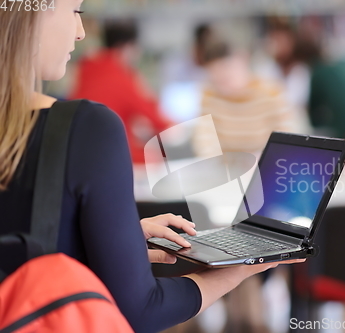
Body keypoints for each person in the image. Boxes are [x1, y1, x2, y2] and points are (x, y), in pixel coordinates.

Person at [0, 4, 302, 333]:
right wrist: (239, 270)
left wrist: (111, 238)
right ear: (31, 14)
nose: (81, 32)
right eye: (74, 10)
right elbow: (141, 310)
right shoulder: (87, 128)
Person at [69, 18, 172, 164]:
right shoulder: (121, 76)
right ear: (128, 47)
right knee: (157, 157)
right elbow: (157, 120)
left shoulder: (87, 68)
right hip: (110, 154)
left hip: (79, 152)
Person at [192, 38, 292, 158]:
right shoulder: (210, 97)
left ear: (243, 59)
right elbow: (204, 143)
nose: (223, 82)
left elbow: (287, 138)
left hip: (264, 166)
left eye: (227, 70)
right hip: (228, 170)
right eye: (217, 79)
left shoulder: (270, 92)